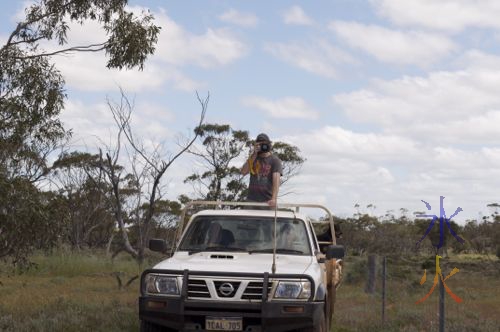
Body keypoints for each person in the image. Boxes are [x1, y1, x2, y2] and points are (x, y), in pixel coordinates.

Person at [241, 133, 282, 207]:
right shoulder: (253, 158)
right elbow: (243, 172)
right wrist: (254, 154)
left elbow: (276, 180)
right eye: (259, 144)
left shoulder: (275, 160)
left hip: (268, 201)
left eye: (264, 144)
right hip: (251, 200)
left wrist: (274, 199)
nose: (262, 146)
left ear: (269, 144)